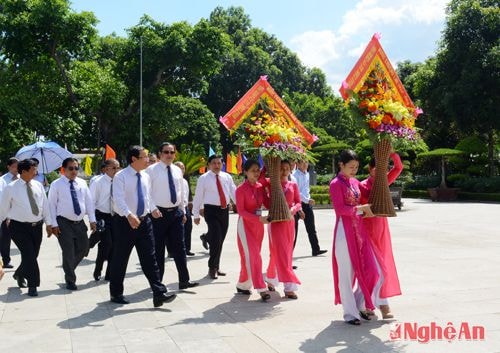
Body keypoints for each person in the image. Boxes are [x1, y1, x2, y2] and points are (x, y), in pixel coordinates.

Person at [109, 145, 176, 307]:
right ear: (134, 159)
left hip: (144, 222)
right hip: (125, 222)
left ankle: (158, 292)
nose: (148, 160)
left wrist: (153, 209)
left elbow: (147, 197)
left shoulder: (145, 176)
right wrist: (129, 214)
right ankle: (116, 293)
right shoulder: (121, 177)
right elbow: (118, 199)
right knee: (120, 258)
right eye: (144, 157)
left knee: (150, 258)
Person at [329, 149, 379, 325]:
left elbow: (372, 187)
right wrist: (360, 209)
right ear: (341, 165)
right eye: (351, 167)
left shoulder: (356, 182)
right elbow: (340, 209)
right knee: (346, 274)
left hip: (360, 230)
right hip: (345, 232)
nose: (354, 170)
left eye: (356, 167)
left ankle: (360, 303)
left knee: (373, 271)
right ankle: (350, 313)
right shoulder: (335, 184)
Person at [146, 143, 198, 290]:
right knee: (158, 249)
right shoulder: (151, 170)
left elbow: (181, 192)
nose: (169, 155)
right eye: (166, 152)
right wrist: (152, 209)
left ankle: (184, 280)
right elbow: (146, 193)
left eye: (172, 152)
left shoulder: (177, 170)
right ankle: (158, 283)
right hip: (158, 214)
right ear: (160, 153)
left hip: (175, 214)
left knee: (180, 248)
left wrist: (182, 210)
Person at [359, 152, 403, 319]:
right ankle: (378, 304)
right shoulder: (362, 185)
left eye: (383, 170)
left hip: (381, 230)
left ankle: (379, 304)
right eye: (377, 169)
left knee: (383, 267)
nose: (380, 173)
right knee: (374, 270)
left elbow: (398, 167)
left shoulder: (385, 182)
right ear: (370, 169)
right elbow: (358, 206)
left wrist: (390, 153)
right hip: (366, 231)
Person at [0, 159, 52, 296]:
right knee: (29, 254)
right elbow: (3, 209)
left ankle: (19, 274)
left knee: (33, 255)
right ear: (23, 171)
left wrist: (49, 223)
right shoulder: (10, 188)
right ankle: (33, 285)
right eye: (33, 169)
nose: (36, 172)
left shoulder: (38, 185)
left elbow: (44, 205)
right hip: (18, 227)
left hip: (37, 226)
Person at [48, 157, 96, 290]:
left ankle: (68, 269)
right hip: (63, 222)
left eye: (76, 168)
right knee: (68, 251)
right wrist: (53, 224)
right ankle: (70, 279)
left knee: (84, 248)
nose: (74, 171)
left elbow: (88, 202)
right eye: (71, 168)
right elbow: (51, 205)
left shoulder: (81, 183)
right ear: (63, 170)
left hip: (79, 223)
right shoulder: (56, 184)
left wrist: (92, 220)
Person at [193, 154, 236, 279]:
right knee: (216, 238)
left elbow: (233, 192)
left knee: (220, 239)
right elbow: (198, 196)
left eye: (219, 163)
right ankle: (212, 268)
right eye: (214, 163)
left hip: (224, 211)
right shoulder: (204, 178)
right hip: (211, 211)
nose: (217, 165)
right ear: (209, 165)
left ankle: (216, 264)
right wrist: (196, 214)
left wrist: (241, 207)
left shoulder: (227, 177)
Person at [264, 160, 302, 299]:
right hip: (275, 222)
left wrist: (293, 209)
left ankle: (270, 278)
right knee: (278, 252)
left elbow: (298, 202)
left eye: (287, 168)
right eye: (281, 168)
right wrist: (267, 167)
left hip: (289, 222)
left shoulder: (293, 185)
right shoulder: (272, 184)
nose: (285, 171)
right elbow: (265, 198)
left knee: (286, 252)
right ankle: (289, 287)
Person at [235, 159, 271, 301]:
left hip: (258, 226)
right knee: (254, 256)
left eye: (258, 170)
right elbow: (241, 211)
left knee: (248, 257)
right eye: (253, 170)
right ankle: (261, 288)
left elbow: (267, 203)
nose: (256, 173)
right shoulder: (240, 189)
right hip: (245, 226)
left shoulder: (260, 186)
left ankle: (243, 284)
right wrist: (259, 219)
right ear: (245, 172)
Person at [89, 158, 120, 281]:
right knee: (107, 243)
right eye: (114, 168)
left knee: (114, 245)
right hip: (102, 215)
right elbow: (91, 201)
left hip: (116, 216)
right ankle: (98, 268)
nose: (116, 170)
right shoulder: (98, 182)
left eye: (118, 168)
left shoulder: (119, 181)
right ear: (106, 169)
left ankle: (109, 273)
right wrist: (92, 220)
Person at [293, 159, 327, 256]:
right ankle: (288, 255)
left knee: (311, 228)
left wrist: (309, 199)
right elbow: (297, 193)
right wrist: (307, 200)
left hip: (307, 204)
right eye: (302, 162)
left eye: (306, 162)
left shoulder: (307, 174)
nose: (305, 164)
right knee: (294, 231)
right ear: (297, 164)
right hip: (298, 204)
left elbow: (305, 189)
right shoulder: (295, 176)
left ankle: (316, 249)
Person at [0, 157, 19, 269]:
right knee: (5, 239)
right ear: (8, 167)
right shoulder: (3, 180)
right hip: (6, 213)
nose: (16, 169)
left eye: (18, 166)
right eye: (14, 166)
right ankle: (6, 260)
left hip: (19, 213)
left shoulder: (22, 178)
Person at [174, 161, 195, 256]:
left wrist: (190, 202)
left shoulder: (185, 181)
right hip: (176, 208)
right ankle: (172, 251)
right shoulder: (173, 180)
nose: (181, 170)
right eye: (179, 167)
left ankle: (187, 249)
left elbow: (187, 194)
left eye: (182, 168)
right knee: (177, 231)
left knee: (188, 227)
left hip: (185, 207)